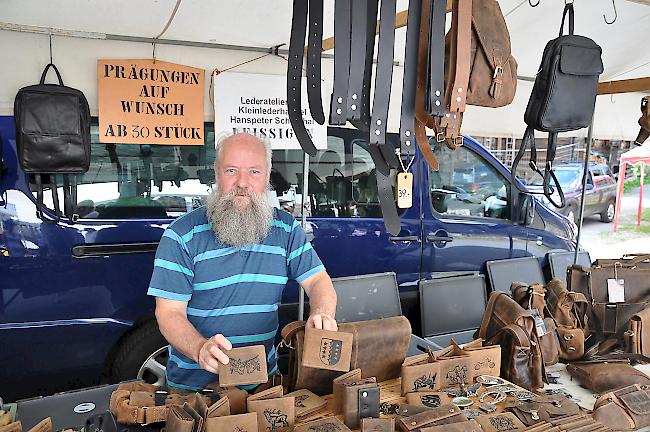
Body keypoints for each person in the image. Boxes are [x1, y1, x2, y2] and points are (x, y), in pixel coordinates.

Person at [148, 133, 338, 392]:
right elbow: (169, 313)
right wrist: (199, 348)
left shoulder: (286, 229)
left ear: (267, 175)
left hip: (263, 386)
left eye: (254, 172)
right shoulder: (181, 236)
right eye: (231, 170)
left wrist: (321, 313)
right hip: (194, 392)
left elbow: (317, 280)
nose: (242, 183)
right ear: (216, 173)